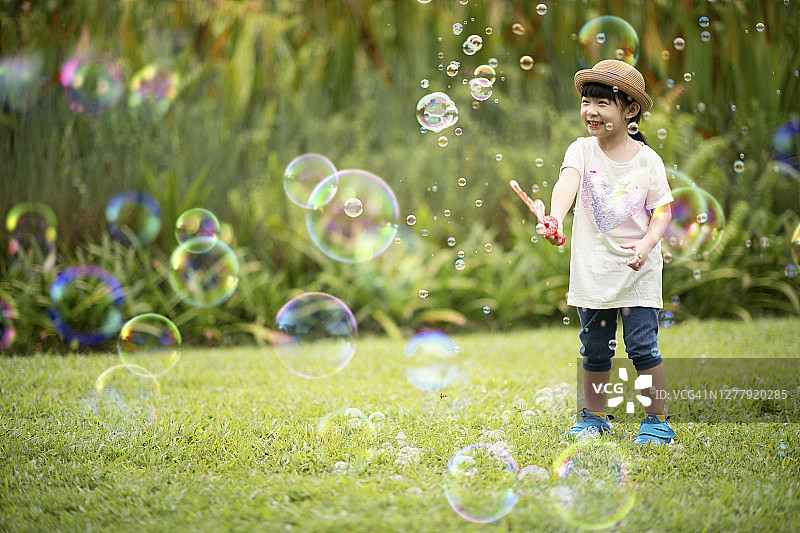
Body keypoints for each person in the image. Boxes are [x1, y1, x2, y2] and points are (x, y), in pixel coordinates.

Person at [539, 60, 674, 446]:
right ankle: (594, 416)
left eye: (602, 103)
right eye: (585, 102)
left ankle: (656, 421)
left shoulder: (647, 161)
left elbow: (662, 211)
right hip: (593, 270)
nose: (590, 111)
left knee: (643, 348)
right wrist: (556, 217)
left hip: (637, 269)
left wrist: (647, 246)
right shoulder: (582, 150)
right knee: (595, 349)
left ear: (630, 110)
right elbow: (568, 182)